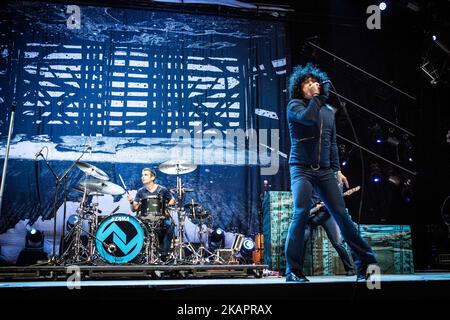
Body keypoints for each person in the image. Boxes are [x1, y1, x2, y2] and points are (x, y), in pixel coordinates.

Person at [285, 63, 377, 282]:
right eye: (308, 83)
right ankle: (293, 271)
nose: (312, 85)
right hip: (301, 169)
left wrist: (337, 169)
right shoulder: (295, 106)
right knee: (300, 213)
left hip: (325, 170)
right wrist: (318, 97)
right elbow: (308, 118)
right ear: (300, 87)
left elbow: (332, 142)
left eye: (315, 82)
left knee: (342, 216)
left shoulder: (328, 112)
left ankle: (366, 265)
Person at [128, 168, 176, 261]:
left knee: (170, 225)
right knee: (132, 225)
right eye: (142, 175)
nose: (143, 177)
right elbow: (134, 209)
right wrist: (131, 201)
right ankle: (135, 254)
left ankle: (164, 255)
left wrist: (166, 207)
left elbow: (172, 200)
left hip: (160, 219)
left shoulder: (162, 190)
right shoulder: (140, 191)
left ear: (152, 177)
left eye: (145, 175)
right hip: (144, 220)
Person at [304, 191, 356, 276]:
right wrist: (314, 209)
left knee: (338, 243)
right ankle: (297, 271)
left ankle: (350, 269)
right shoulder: (303, 186)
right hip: (310, 218)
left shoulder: (326, 182)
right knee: (302, 240)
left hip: (327, 215)